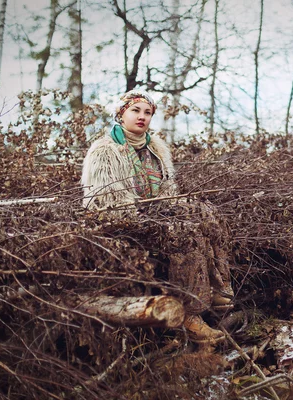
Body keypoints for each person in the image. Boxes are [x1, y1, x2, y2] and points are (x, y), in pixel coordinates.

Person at [81, 90, 234, 343]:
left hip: (155, 216)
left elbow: (168, 192)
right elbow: (108, 204)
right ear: (121, 114)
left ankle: (220, 289)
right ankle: (191, 315)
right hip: (120, 222)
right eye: (135, 111)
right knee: (182, 233)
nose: (142, 117)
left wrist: (176, 210)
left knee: (205, 214)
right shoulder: (105, 151)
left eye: (147, 112)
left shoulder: (156, 149)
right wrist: (158, 219)